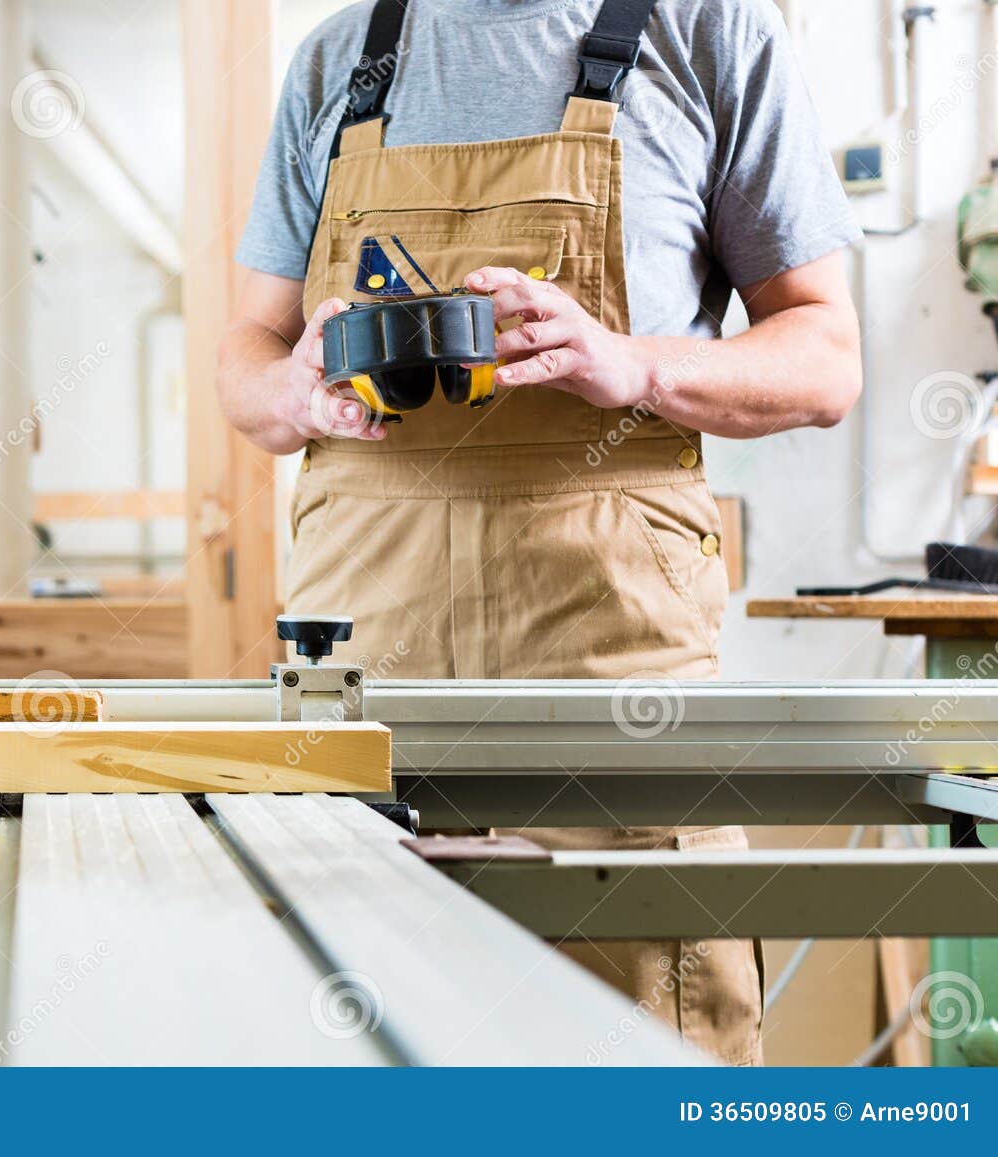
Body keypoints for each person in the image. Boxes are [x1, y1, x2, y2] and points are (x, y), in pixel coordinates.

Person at [217, 0, 863, 1065]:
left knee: (644, 1056)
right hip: (363, 697)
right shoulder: (340, 57)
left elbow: (826, 355)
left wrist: (635, 365)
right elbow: (248, 349)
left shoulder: (708, 34)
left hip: (613, 693)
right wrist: (290, 390)